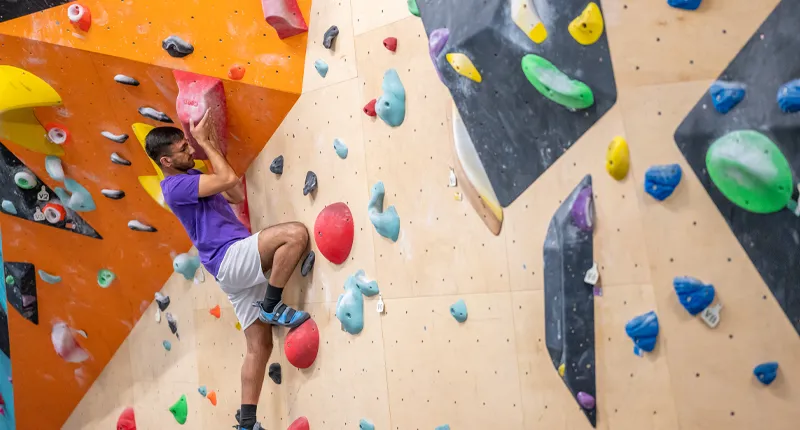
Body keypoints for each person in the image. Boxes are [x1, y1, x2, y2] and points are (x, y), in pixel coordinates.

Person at [146, 109, 310, 430]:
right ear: (166, 161)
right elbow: (227, 180)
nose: (189, 150)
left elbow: (234, 191)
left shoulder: (192, 177)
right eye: (182, 149)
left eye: (188, 145)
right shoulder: (175, 187)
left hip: (231, 267)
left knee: (259, 347)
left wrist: (211, 152)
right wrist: (206, 142)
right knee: (295, 235)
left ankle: (246, 423)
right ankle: (272, 304)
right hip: (230, 257)